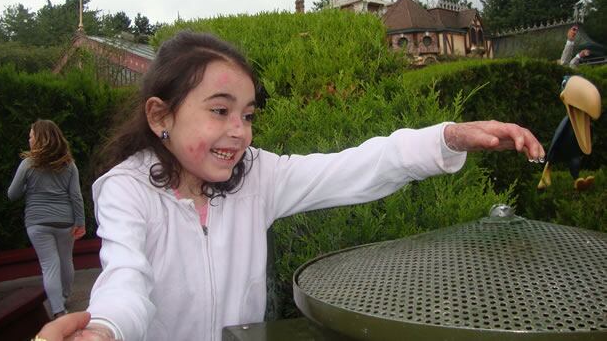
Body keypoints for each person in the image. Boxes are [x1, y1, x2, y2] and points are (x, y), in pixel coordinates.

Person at [34, 31, 544, 341]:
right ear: (160, 114)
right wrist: (104, 329)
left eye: (247, 114)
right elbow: (127, 280)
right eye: (219, 111)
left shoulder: (257, 176)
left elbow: (355, 166)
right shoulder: (126, 190)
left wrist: (449, 136)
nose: (239, 130)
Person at [8, 119, 86, 319]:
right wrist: (80, 222)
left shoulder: (28, 164)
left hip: (37, 222)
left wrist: (28, 187)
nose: (29, 138)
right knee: (65, 260)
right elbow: (76, 196)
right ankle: (64, 296)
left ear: (40, 138)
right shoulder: (69, 165)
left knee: (49, 265)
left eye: (31, 135)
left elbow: (12, 194)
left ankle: (58, 310)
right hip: (64, 221)